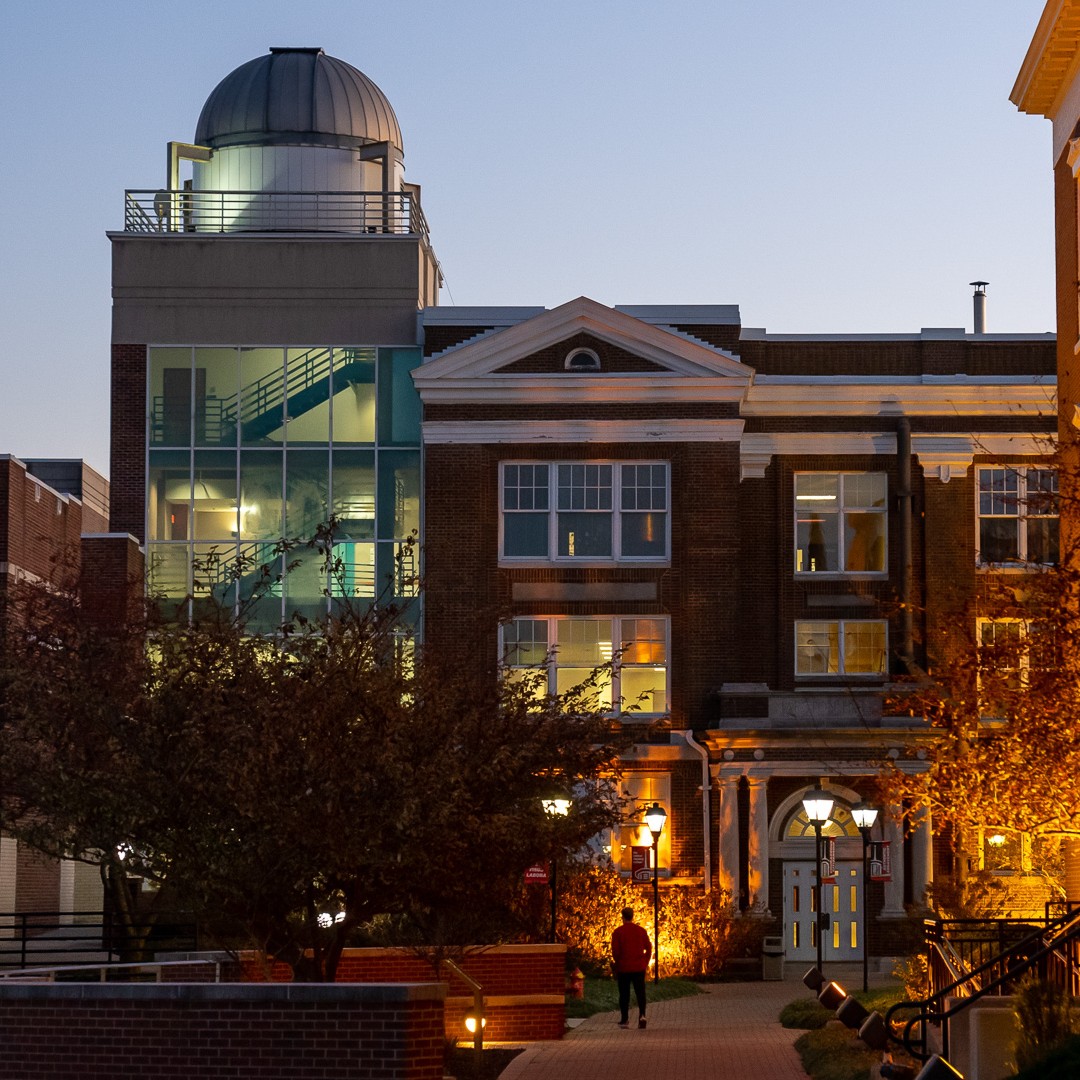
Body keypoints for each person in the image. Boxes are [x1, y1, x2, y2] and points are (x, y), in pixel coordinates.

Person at [611, 906, 652, 1029]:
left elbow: (615, 951)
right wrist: (645, 961)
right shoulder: (640, 931)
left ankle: (625, 1020)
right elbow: (649, 948)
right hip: (639, 967)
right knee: (640, 992)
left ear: (622, 917)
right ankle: (642, 1016)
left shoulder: (618, 932)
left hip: (624, 967)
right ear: (632, 916)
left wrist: (617, 962)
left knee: (624, 994)